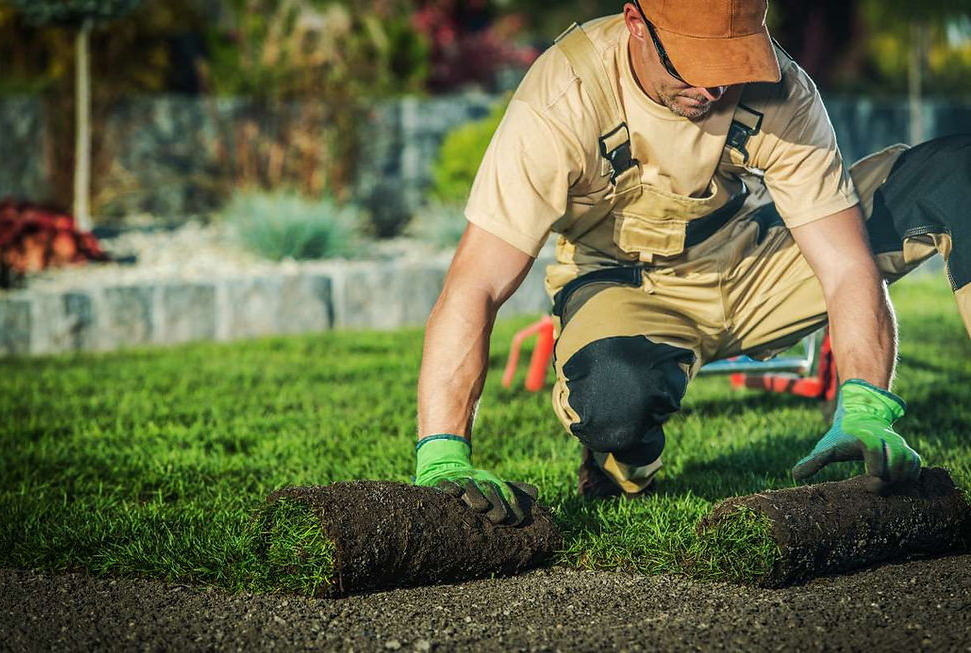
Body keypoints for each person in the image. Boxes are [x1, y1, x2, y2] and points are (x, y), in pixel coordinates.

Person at [412, 0, 971, 525]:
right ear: (636, 21)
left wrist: (865, 405)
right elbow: (477, 282)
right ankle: (621, 464)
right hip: (626, 285)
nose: (712, 87)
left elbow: (846, 266)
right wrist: (442, 451)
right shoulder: (564, 95)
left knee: (957, 173)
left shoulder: (782, 89)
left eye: (730, 62)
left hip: (752, 260)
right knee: (613, 399)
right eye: (693, 64)